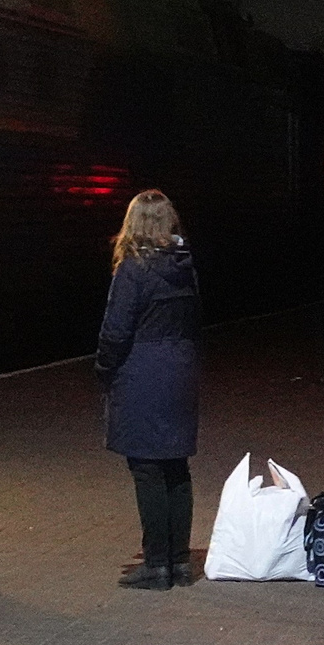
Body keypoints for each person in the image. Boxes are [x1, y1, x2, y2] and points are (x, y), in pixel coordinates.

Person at [95, 189, 201, 591]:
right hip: (180, 371)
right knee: (177, 467)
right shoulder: (185, 264)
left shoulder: (133, 269)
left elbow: (116, 329)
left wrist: (104, 367)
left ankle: (156, 564)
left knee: (147, 470)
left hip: (143, 373)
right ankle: (179, 561)